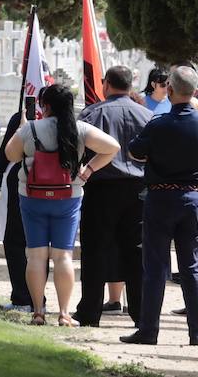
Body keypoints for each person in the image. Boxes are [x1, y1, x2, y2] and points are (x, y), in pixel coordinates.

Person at [3, 83, 119, 327]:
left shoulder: (31, 128)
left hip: (32, 196)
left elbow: (11, 156)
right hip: (68, 197)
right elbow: (113, 148)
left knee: (35, 255)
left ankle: (37, 312)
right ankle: (64, 313)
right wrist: (88, 170)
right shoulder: (81, 129)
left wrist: (24, 129)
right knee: (63, 256)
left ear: (45, 106)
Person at [121, 65, 198, 347]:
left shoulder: (159, 123)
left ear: (170, 90)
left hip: (161, 199)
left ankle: (148, 330)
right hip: (194, 199)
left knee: (155, 267)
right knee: (193, 267)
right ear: (195, 92)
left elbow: (135, 150)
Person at [73, 64, 153, 327]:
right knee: (137, 252)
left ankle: (89, 312)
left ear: (106, 84)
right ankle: (141, 313)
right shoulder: (148, 116)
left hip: (101, 188)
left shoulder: (92, 114)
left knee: (95, 250)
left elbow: (79, 151)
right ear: (130, 86)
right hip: (138, 191)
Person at [0, 107, 34, 311]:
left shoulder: (22, 121)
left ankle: (22, 296)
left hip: (22, 180)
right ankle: (35, 298)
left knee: (15, 241)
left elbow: (6, 155)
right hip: (54, 187)